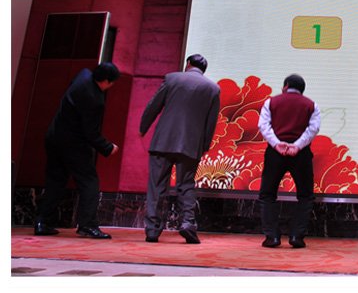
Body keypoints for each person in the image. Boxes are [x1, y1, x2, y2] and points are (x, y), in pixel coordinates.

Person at [139, 54, 221, 244]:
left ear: (188, 64)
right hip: (191, 144)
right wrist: (204, 146)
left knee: (157, 186)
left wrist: (143, 127)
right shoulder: (212, 88)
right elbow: (211, 122)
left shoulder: (172, 78)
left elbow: (154, 106)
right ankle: (187, 223)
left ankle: (152, 230)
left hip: (163, 141)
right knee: (186, 185)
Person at [35, 63, 121, 239]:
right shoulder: (95, 100)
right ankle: (87, 225)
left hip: (54, 135)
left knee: (55, 181)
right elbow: (91, 133)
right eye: (111, 83)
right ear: (106, 81)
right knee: (89, 181)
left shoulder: (83, 75)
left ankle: (42, 222)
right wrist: (107, 147)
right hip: (73, 144)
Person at [258, 74, 321, 249]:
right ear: (302, 89)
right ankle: (296, 236)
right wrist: (297, 146)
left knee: (268, 194)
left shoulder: (271, 102)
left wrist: (277, 144)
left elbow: (264, 126)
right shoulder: (311, 105)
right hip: (301, 154)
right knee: (305, 195)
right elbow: (313, 129)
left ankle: (272, 237)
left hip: (275, 153)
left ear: (285, 86)